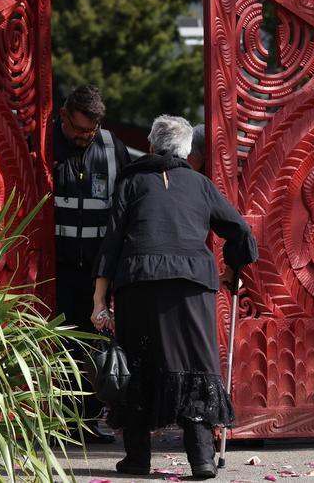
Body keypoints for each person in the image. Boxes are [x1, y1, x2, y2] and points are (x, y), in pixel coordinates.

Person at [91, 115, 257, 478]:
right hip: (192, 283)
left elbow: (112, 241)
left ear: (151, 145)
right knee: (194, 364)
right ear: (186, 151)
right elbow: (240, 230)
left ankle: (137, 459)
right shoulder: (200, 184)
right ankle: (201, 460)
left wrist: (99, 300)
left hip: (139, 280)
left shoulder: (131, 182)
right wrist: (231, 271)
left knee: (137, 364)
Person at [52, 84, 130, 444]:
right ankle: (57, 422)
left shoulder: (113, 148)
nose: (85, 137)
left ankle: (87, 421)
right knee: (59, 346)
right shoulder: (45, 142)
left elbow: (126, 206)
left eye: (91, 132)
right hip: (55, 268)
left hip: (99, 271)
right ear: (64, 115)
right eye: (79, 130)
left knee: (95, 346)